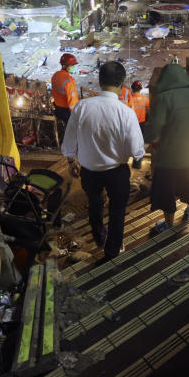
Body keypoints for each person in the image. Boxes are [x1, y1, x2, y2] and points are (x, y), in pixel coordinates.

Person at [61, 61, 145, 262]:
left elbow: (69, 141)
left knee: (95, 203)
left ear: (99, 81)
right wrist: (138, 159)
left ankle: (99, 235)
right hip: (117, 172)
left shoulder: (82, 107)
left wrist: (71, 161)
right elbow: (137, 149)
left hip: (89, 171)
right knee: (117, 209)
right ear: (122, 83)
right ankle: (112, 250)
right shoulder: (126, 113)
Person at [142, 63, 189, 235]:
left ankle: (169, 224)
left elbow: (155, 128)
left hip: (169, 155)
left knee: (165, 188)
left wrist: (147, 139)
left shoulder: (164, 98)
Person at [51, 53, 79, 132]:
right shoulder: (69, 81)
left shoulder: (55, 75)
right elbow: (72, 102)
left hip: (57, 108)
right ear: (64, 66)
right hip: (67, 112)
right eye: (71, 65)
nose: (73, 67)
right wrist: (76, 116)